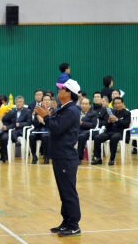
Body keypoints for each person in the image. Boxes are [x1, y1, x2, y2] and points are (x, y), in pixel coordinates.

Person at [35, 78, 81, 237]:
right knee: (63, 191)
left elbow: (57, 127)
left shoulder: (72, 110)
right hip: (61, 155)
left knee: (68, 191)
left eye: (62, 89)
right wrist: (47, 115)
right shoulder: (64, 108)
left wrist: (45, 117)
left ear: (69, 94)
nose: (58, 91)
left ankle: (74, 225)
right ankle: (66, 221)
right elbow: (55, 123)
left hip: (66, 156)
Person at [91, 97, 131, 165]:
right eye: (115, 104)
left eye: (119, 103)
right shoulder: (111, 112)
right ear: (113, 105)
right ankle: (98, 158)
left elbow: (126, 125)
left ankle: (112, 159)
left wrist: (117, 120)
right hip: (109, 131)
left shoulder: (127, 113)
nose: (117, 105)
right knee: (97, 137)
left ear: (122, 104)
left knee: (114, 138)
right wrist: (108, 121)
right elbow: (106, 125)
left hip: (119, 132)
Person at [29, 94, 53, 164]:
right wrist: (38, 120)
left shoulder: (53, 111)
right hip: (38, 130)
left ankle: (46, 157)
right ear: (42, 102)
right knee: (31, 136)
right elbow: (34, 123)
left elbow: (53, 123)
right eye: (45, 100)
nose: (47, 102)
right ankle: (34, 156)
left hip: (49, 131)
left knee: (45, 136)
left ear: (51, 102)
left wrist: (43, 121)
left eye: (48, 100)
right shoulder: (38, 110)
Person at [76, 98, 97, 163]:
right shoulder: (77, 112)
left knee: (81, 137)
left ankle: (79, 158)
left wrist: (82, 123)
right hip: (76, 130)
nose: (84, 105)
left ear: (90, 105)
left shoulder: (93, 113)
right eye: (82, 104)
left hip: (88, 131)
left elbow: (93, 125)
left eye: (86, 104)